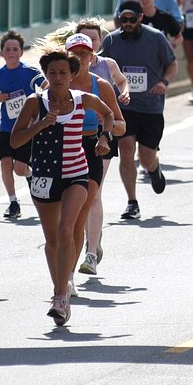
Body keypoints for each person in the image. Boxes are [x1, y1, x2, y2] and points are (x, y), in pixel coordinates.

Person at [10, 50, 115, 326]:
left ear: (72, 75)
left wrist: (104, 138)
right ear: (46, 75)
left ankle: (60, 296)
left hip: (76, 174)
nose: (57, 78)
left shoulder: (84, 99)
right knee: (52, 240)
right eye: (52, 73)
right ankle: (59, 284)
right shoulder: (36, 103)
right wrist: (41, 124)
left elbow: (108, 115)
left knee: (67, 229)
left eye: (63, 73)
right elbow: (15, 141)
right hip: (44, 177)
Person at [101, 0, 178, 221]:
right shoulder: (111, 41)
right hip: (124, 106)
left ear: (140, 18)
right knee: (125, 150)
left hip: (151, 107)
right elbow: (102, 70)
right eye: (123, 20)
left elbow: (172, 64)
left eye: (131, 20)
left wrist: (164, 82)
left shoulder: (155, 38)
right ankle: (132, 202)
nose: (126, 24)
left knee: (145, 158)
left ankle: (154, 168)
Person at [62, 33, 126, 279]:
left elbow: (121, 125)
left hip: (90, 149)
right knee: (62, 221)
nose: (79, 58)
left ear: (91, 57)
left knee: (79, 217)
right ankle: (64, 271)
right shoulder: (54, 85)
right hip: (61, 150)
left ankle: (72, 272)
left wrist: (106, 133)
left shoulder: (102, 86)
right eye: (74, 54)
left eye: (84, 54)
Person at [0, 30, 41, 220]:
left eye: (15, 49)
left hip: (26, 129)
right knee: (5, 163)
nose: (11, 52)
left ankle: (30, 174)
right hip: (6, 128)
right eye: (7, 49)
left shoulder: (30, 72)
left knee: (19, 169)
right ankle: (13, 202)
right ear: (2, 53)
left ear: (21, 52)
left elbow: (47, 87)